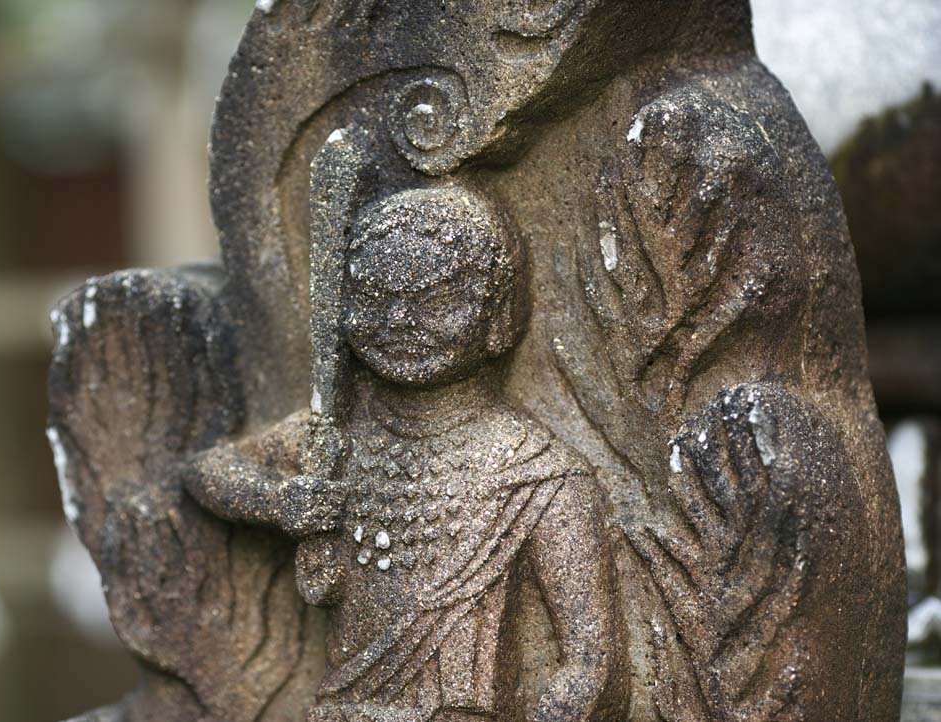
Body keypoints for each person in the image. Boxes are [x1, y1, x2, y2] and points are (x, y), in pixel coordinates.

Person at [187, 187, 624, 722]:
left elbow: (590, 662)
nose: (399, 321)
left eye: (434, 302)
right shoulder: (335, 440)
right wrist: (279, 502)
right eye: (374, 299)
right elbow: (208, 470)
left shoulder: (538, 474)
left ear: (499, 318)